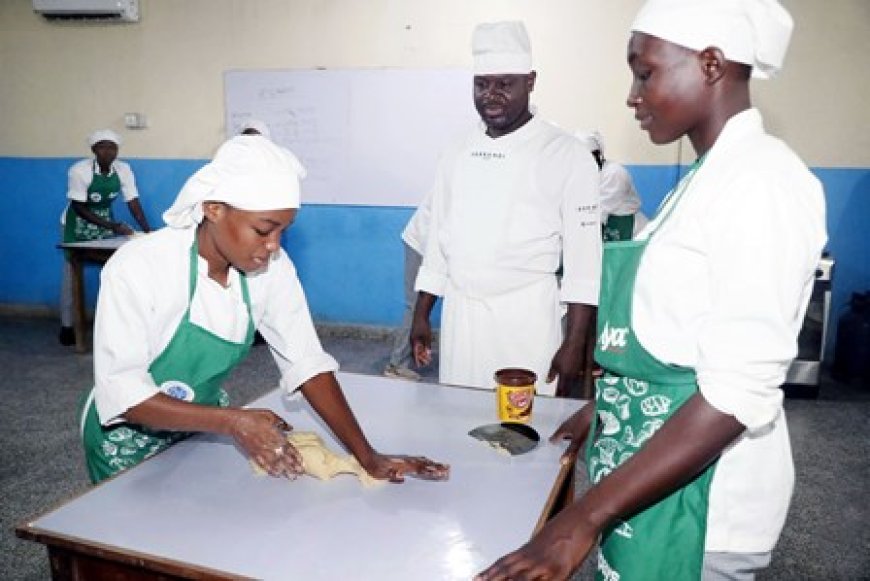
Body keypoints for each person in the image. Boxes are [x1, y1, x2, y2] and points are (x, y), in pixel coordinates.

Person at [476, 0, 826, 579]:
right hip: (648, 483)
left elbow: (738, 391)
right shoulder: (706, 182)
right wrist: (607, 407)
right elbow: (677, 339)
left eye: (645, 72)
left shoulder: (762, 183)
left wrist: (582, 517)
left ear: (711, 64)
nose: (631, 95)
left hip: (704, 510)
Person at [78, 135, 450, 486]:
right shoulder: (141, 266)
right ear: (214, 209)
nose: (273, 246)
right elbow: (123, 392)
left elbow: (306, 363)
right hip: (124, 439)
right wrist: (235, 422)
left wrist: (369, 457)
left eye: (283, 231)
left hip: (200, 426)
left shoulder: (271, 269)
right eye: (263, 230)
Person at [410, 21, 601, 396]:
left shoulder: (566, 154)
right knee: (459, 422)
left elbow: (584, 261)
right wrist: (422, 314)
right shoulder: (456, 151)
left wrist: (575, 343)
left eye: (504, 84)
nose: (491, 95)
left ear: (530, 81)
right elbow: (438, 241)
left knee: (524, 431)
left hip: (525, 319)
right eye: (482, 84)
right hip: (462, 318)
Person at [59, 129, 151, 346]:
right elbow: (79, 207)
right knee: (71, 273)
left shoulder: (123, 169)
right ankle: (68, 326)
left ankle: (111, 324)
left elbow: (133, 202)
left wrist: (147, 231)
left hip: (104, 222)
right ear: (93, 150)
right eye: (102, 147)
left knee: (112, 269)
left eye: (112, 147)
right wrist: (113, 226)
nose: (108, 152)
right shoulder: (79, 171)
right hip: (77, 223)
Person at [383, 192, 431, 382]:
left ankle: (416, 352)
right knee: (416, 304)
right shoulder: (455, 185)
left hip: (432, 245)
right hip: (420, 244)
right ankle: (396, 365)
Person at [575, 129, 649, 241]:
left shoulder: (614, 173)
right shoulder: (581, 176)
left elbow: (597, 213)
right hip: (604, 228)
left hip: (628, 230)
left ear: (598, 155)